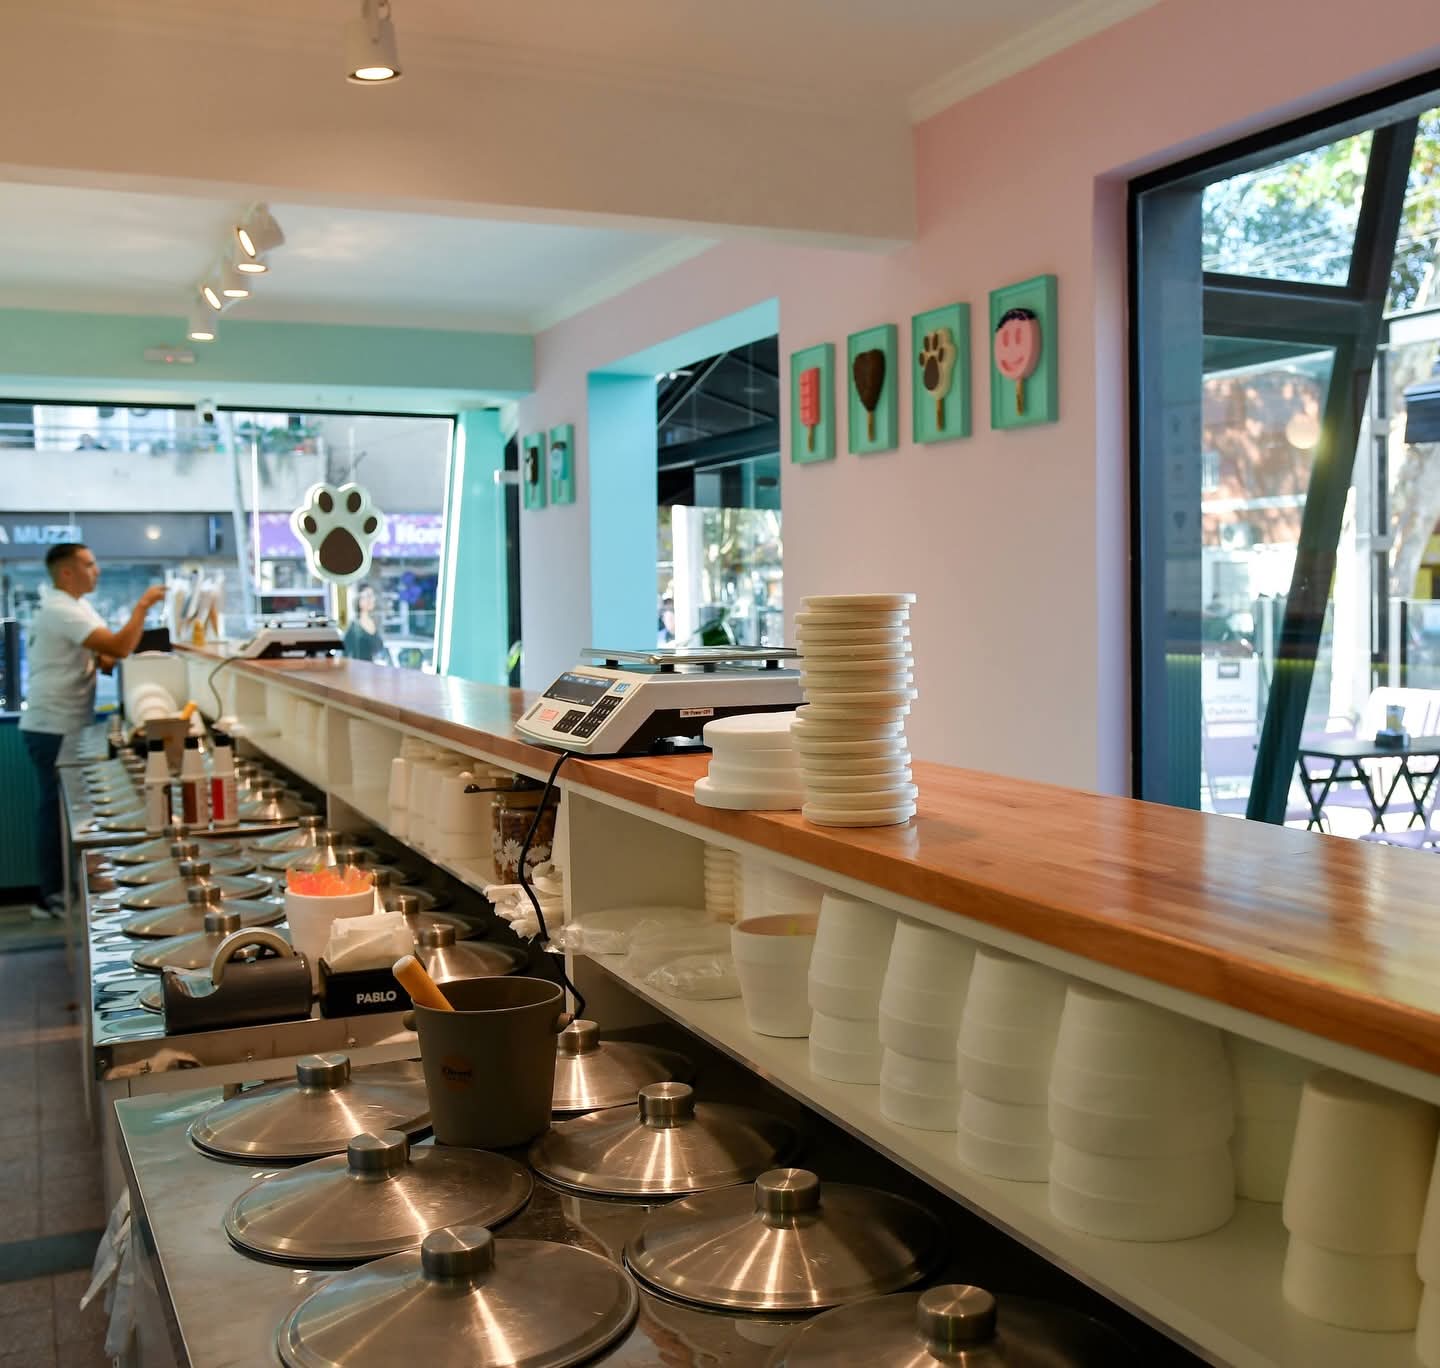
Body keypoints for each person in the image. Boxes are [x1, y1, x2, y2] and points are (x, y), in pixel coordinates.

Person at [20, 544, 165, 919]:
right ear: (66, 572)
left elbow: (107, 656)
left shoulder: (78, 606)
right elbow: (117, 646)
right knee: (55, 811)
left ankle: (62, 891)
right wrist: (142, 607)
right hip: (52, 726)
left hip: (64, 722)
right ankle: (51, 897)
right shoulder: (61, 609)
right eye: (89, 564)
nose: (97, 570)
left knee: (60, 809)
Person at [343, 583, 389, 664]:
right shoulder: (354, 629)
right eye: (368, 596)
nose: (372, 599)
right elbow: (345, 656)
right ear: (359, 600)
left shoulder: (374, 623)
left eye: (372, 595)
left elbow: (380, 650)